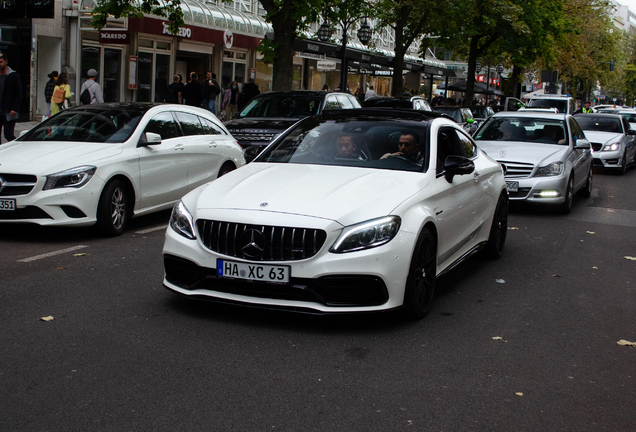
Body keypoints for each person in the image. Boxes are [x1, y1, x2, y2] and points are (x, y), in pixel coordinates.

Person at [0, 52, 23, 143]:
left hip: (9, 110)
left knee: (8, 134)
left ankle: (16, 148)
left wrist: (15, 108)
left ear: (6, 62)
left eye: (1, 62)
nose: (0, 64)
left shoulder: (13, 76)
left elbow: (19, 93)